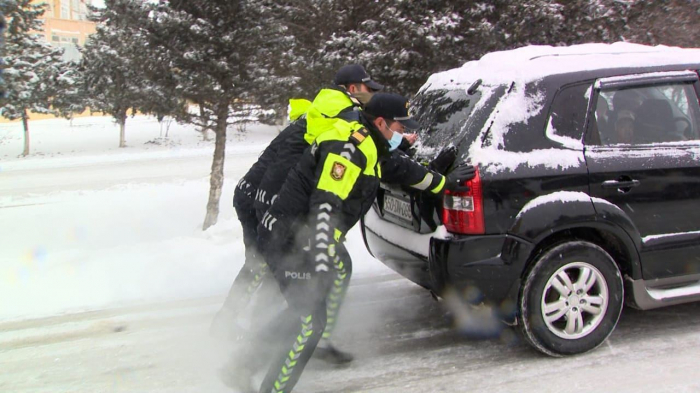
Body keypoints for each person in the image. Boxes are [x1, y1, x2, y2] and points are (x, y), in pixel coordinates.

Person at [222, 93, 476, 393]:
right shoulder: (348, 150)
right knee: (308, 320)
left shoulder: (367, 138)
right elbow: (324, 204)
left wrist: (443, 182)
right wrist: (319, 251)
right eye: (399, 127)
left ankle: (240, 366)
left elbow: (400, 169)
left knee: (305, 308)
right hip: (290, 238)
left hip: (292, 232)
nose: (402, 133)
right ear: (381, 122)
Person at [210, 64, 383, 344]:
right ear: (353, 89)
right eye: (368, 88)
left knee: (264, 265)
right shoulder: (340, 114)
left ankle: (245, 329)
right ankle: (244, 335)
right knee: (265, 264)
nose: (371, 94)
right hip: (263, 198)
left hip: (253, 193)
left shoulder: (321, 106)